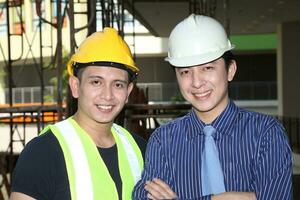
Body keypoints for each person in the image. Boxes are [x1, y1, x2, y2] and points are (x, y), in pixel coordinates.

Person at [133, 14, 293, 199]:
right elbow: (142, 195)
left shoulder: (266, 134)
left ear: (230, 70)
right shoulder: (163, 140)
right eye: (185, 72)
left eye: (207, 68)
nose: (196, 82)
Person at [10, 27, 147, 200]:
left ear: (128, 92)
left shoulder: (140, 150)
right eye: (96, 82)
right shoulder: (43, 153)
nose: (107, 95)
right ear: (75, 86)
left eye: (118, 84)